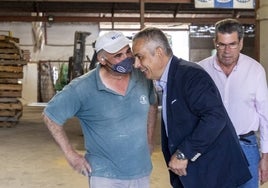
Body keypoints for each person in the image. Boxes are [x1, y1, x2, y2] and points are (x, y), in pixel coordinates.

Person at [132, 27, 252, 188]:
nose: (136, 64)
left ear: (159, 52)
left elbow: (215, 117)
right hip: (196, 174)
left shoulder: (190, 75)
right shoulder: (169, 79)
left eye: (140, 57)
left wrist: (183, 153)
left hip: (215, 175)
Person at [43, 30, 158, 188]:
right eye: (118, 56)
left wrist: (149, 139)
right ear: (102, 59)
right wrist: (70, 155)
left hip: (140, 169)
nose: (127, 58)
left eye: (128, 51)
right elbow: (50, 116)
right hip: (105, 174)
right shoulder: (82, 88)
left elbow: (152, 104)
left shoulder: (142, 77)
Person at [199, 18, 268, 187]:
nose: (227, 51)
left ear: (241, 43)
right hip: (211, 147)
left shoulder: (255, 71)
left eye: (232, 44)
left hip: (246, 147)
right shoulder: (200, 71)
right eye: (222, 44)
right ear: (215, 42)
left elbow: (265, 115)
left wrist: (265, 156)